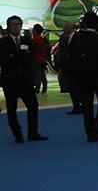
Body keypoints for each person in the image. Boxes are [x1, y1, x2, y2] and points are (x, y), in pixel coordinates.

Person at [1, 15, 48, 143]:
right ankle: (17, 134)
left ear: (21, 26)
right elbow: (5, 59)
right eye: (13, 24)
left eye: (18, 24)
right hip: (10, 80)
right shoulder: (3, 42)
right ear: (8, 26)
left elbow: (30, 57)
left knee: (33, 106)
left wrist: (16, 57)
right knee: (12, 109)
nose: (16, 27)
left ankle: (33, 132)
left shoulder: (27, 41)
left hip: (26, 80)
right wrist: (18, 57)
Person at [67, 11, 98, 142]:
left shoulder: (77, 37)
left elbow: (72, 57)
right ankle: (96, 124)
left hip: (82, 77)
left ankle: (90, 133)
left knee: (87, 105)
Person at [53, 22, 85, 115]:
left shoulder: (79, 37)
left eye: (66, 27)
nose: (64, 28)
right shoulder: (63, 37)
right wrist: (59, 63)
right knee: (71, 87)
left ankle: (83, 105)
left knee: (78, 87)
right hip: (65, 67)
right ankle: (76, 106)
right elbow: (60, 51)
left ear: (71, 28)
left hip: (76, 67)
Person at [29, 24, 50, 95]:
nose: (32, 30)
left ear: (36, 31)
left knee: (37, 76)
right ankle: (44, 89)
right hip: (42, 60)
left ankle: (37, 90)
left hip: (36, 60)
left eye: (33, 29)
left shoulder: (34, 40)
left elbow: (32, 50)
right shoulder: (42, 39)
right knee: (42, 75)